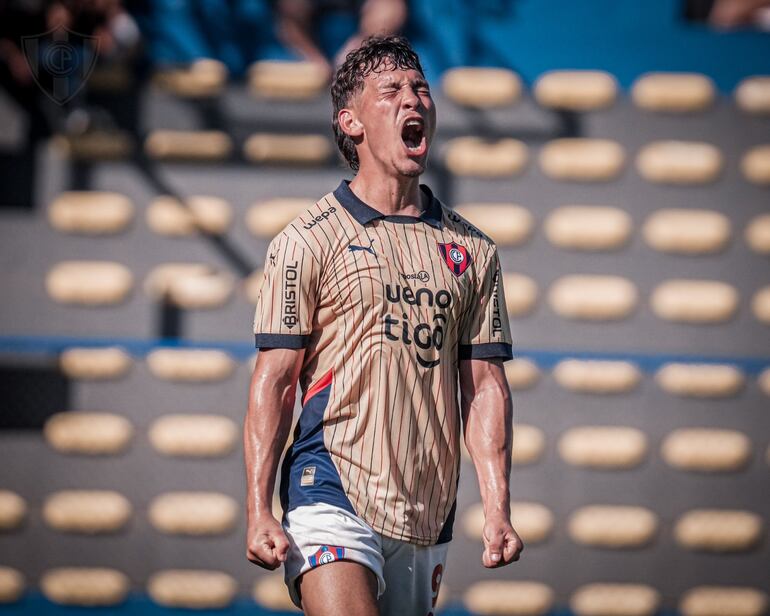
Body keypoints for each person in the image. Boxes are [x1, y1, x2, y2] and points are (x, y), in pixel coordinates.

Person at [244, 35, 523, 616]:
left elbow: (486, 387)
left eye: (420, 89)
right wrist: (258, 507)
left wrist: (497, 507)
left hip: (428, 505)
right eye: (391, 91)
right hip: (330, 489)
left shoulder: (474, 251)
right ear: (350, 121)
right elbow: (274, 382)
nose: (412, 100)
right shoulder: (306, 241)